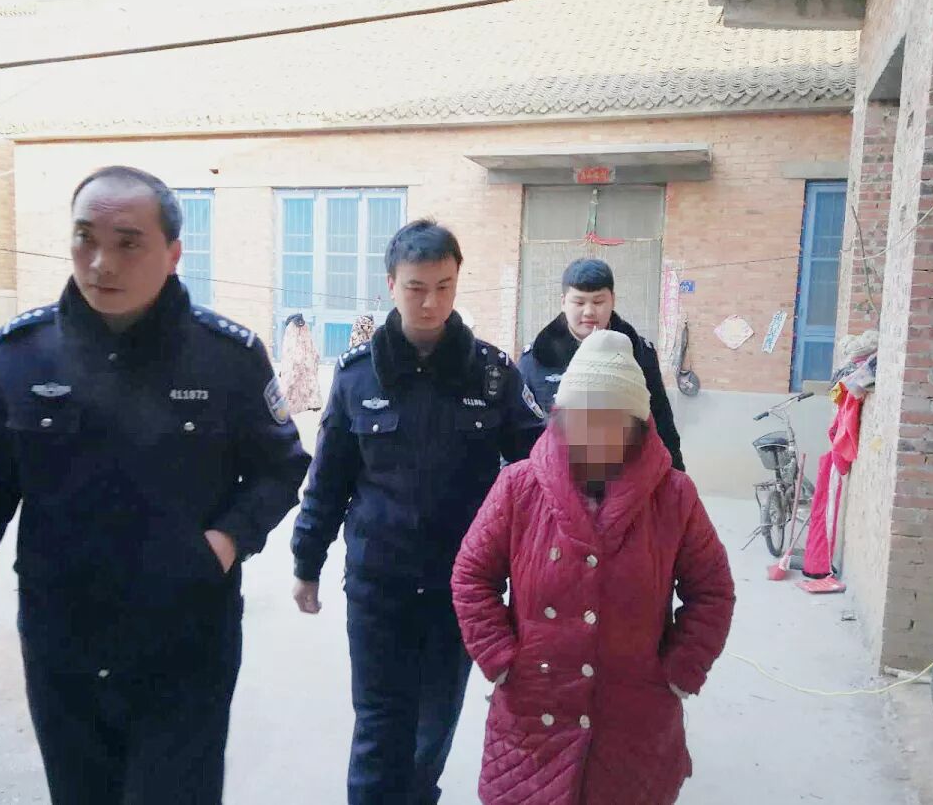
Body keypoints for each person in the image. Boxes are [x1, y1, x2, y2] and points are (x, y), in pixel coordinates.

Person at [0, 166, 311, 805]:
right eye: (85, 238)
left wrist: (224, 542)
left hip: (185, 642)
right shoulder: (21, 356)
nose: (101, 262)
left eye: (128, 242)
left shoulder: (226, 358)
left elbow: (281, 466)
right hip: (62, 646)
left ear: (173, 253)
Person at [291, 219, 545, 805]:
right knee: (380, 722)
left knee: (435, 722)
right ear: (391, 284)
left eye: (444, 287)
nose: (430, 302)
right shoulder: (357, 376)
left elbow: (541, 467)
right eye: (416, 288)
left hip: (464, 586)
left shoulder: (493, 374)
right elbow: (328, 479)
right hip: (379, 582)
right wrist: (307, 561)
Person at [453, 329, 735, 805]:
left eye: (612, 420)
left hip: (635, 716)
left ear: (638, 426)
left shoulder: (674, 496)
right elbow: (472, 575)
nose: (595, 433)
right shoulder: (520, 487)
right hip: (533, 714)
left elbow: (712, 591)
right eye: (583, 417)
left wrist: (682, 669)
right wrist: (499, 657)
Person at [518, 257, 685, 471]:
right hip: (557, 476)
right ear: (563, 302)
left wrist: (675, 480)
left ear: (612, 300)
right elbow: (520, 435)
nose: (589, 311)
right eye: (579, 302)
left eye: (598, 302)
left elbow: (662, 425)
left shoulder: (640, 354)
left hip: (628, 476)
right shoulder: (535, 359)